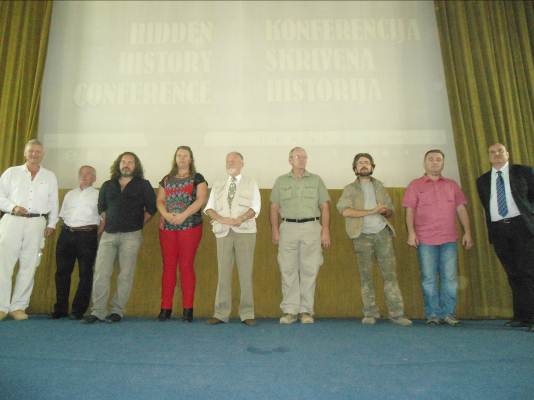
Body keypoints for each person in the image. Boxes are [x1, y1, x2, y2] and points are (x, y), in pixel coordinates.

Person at [337, 153, 412, 326]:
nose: (364, 165)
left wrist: (385, 211)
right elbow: (345, 211)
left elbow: (390, 211)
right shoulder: (349, 189)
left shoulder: (380, 186)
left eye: (367, 162)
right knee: (366, 276)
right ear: (355, 168)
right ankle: (370, 313)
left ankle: (397, 314)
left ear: (372, 167)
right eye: (360, 163)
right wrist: (371, 211)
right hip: (361, 235)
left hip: (382, 234)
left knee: (390, 275)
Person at [84, 152, 156, 323]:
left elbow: (151, 209)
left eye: (130, 162)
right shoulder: (107, 185)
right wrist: (110, 222)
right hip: (108, 235)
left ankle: (117, 311)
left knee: (125, 275)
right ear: (118, 164)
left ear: (136, 166)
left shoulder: (143, 185)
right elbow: (102, 208)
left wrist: (137, 224)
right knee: (101, 273)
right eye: (123, 161)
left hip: (131, 236)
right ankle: (98, 311)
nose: (126, 164)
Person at [403, 149, 473, 326]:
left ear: (443, 163)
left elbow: (461, 209)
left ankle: (448, 314)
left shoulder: (452, 185)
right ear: (424, 162)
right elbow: (410, 210)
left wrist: (468, 232)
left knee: (450, 278)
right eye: (431, 159)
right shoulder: (415, 185)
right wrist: (411, 232)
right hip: (425, 239)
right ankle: (433, 314)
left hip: (449, 239)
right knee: (429, 278)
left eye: (438, 159)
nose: (434, 162)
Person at [476, 143, 534, 333]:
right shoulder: (482, 180)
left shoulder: (524, 172)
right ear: (488, 157)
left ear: (507, 154)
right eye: (492, 152)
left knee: (528, 272)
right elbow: (486, 205)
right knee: (513, 274)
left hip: (522, 228)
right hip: (499, 231)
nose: (496, 154)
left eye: (500, 151)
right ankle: (522, 316)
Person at [270, 147, 330, 324]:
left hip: (312, 227)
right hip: (288, 228)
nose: (302, 160)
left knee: (309, 270)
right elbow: (274, 207)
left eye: (304, 157)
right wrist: (275, 229)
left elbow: (325, 207)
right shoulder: (281, 181)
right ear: (290, 160)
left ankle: (306, 311)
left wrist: (325, 230)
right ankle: (289, 311)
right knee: (287, 269)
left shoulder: (316, 180)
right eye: (298, 157)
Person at [0, 139, 58, 321]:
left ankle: (18, 307)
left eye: (38, 151)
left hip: (36, 223)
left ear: (42, 154)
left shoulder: (50, 176)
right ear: (25, 153)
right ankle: (1, 307)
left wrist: (52, 224)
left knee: (29, 265)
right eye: (31, 151)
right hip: (12, 220)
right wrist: (13, 207)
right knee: (3, 265)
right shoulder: (12, 172)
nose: (34, 154)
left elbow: (53, 202)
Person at [204, 152, 260, 326]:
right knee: (223, 274)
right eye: (228, 160)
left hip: (245, 232)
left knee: (245, 273)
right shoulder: (218, 184)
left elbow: (255, 207)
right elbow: (209, 208)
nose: (230, 163)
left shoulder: (251, 182)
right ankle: (220, 313)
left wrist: (240, 219)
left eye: (234, 160)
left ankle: (247, 313)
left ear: (242, 163)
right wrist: (222, 219)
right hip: (223, 233)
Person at [156, 146, 207, 322]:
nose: (182, 158)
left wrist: (183, 215)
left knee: (186, 265)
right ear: (175, 158)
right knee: (168, 266)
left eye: (186, 155)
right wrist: (166, 215)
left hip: (190, 227)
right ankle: (165, 308)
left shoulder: (198, 178)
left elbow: (201, 200)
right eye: (179, 155)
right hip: (167, 228)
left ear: (191, 159)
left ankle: (188, 309)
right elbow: (160, 200)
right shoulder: (166, 179)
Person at [50, 165, 101, 320]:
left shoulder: (99, 195)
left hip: (87, 235)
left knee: (85, 274)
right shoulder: (69, 194)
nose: (84, 176)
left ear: (94, 178)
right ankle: (60, 308)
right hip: (66, 234)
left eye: (88, 174)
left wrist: (94, 235)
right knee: (62, 273)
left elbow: (104, 218)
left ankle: (78, 310)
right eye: (81, 173)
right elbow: (63, 216)